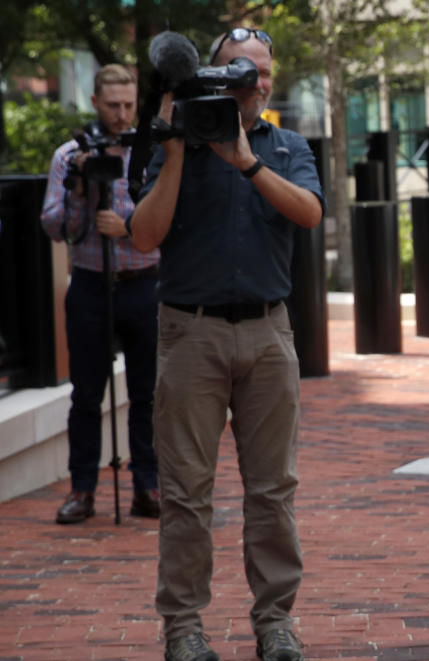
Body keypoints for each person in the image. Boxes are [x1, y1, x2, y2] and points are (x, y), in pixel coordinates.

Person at [129, 27, 324, 661]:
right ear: (212, 77)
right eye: (244, 70)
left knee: (273, 490)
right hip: (191, 331)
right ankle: (183, 628)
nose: (256, 82)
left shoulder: (286, 145)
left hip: (269, 331)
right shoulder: (174, 145)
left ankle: (276, 624)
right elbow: (143, 237)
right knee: (187, 493)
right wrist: (181, 147)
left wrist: (247, 163)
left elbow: (309, 213)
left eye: (264, 73)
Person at [40, 63, 161, 524]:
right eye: (113, 105)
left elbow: (174, 222)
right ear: (95, 103)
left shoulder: (152, 152)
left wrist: (129, 228)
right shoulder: (70, 153)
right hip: (91, 284)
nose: (122, 113)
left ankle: (147, 484)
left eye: (129, 104)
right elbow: (56, 228)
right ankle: (83, 489)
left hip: (145, 283)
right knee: (86, 394)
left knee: (147, 393)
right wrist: (78, 188)